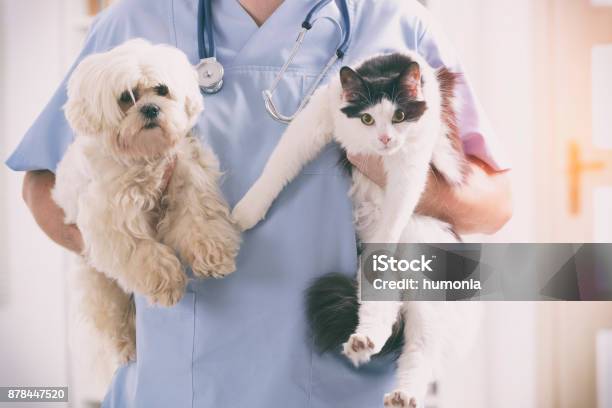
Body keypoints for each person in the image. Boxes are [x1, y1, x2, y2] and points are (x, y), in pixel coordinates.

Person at [7, 0, 512, 406]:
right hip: (182, 384)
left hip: (353, 380)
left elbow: (496, 206)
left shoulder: (395, 21)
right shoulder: (134, 20)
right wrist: (117, 246)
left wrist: (404, 182)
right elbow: (41, 183)